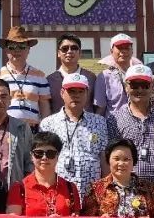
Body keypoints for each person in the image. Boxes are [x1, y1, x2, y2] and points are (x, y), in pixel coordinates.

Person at [106, 64, 154, 190]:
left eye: (144, 85)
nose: (139, 90)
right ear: (126, 87)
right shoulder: (115, 119)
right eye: (134, 85)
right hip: (129, 190)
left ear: (152, 87)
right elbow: (110, 157)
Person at [40, 72, 108, 201]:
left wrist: (105, 190)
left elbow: (103, 157)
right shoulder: (48, 124)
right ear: (62, 93)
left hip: (92, 194)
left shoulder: (99, 122)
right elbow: (42, 161)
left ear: (87, 94)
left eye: (80, 91)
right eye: (71, 91)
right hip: (59, 193)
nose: (76, 95)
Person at [0, 26, 51, 125]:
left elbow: (45, 107)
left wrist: (45, 129)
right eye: (12, 47)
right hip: (4, 129)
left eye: (22, 46)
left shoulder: (40, 76)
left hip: (32, 130)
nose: (17, 50)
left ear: (28, 50)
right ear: (6, 50)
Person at [47, 33, 97, 114]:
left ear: (80, 52)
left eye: (74, 48)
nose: (69, 51)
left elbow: (97, 106)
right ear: (58, 53)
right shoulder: (49, 80)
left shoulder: (91, 78)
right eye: (65, 48)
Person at [94, 33, 139, 116]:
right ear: (111, 51)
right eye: (120, 48)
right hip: (113, 122)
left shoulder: (139, 74)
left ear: (132, 51)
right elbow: (100, 108)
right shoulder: (104, 76)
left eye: (127, 48)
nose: (124, 51)